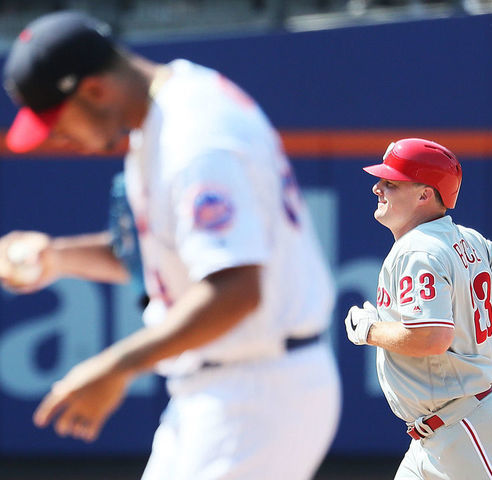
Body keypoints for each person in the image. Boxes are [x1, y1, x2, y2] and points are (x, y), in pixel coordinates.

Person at [0, 10, 340, 480]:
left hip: (257, 390)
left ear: (94, 90)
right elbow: (164, 256)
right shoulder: (174, 103)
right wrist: (55, 257)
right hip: (227, 387)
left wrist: (116, 366)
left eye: (58, 123)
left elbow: (236, 290)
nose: (59, 138)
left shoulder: (194, 140)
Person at [344, 138, 492, 479]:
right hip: (440, 433)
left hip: (467, 429)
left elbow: (432, 337)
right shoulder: (468, 240)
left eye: (391, 183)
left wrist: (369, 330)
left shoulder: (418, 250)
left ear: (424, 194)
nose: (378, 187)